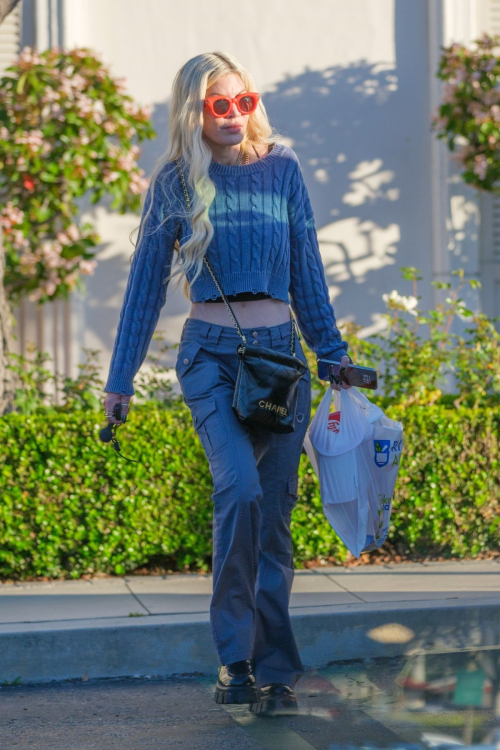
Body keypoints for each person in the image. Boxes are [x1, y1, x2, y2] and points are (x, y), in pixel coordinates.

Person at [103, 50, 352, 717]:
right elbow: (143, 290)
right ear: (194, 109)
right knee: (237, 488)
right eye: (221, 104)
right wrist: (118, 380)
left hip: (280, 359)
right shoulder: (178, 179)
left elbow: (309, 271)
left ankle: (271, 672)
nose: (237, 114)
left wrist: (333, 354)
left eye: (246, 100)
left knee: (273, 515)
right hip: (210, 358)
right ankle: (231, 654)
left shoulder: (283, 168)